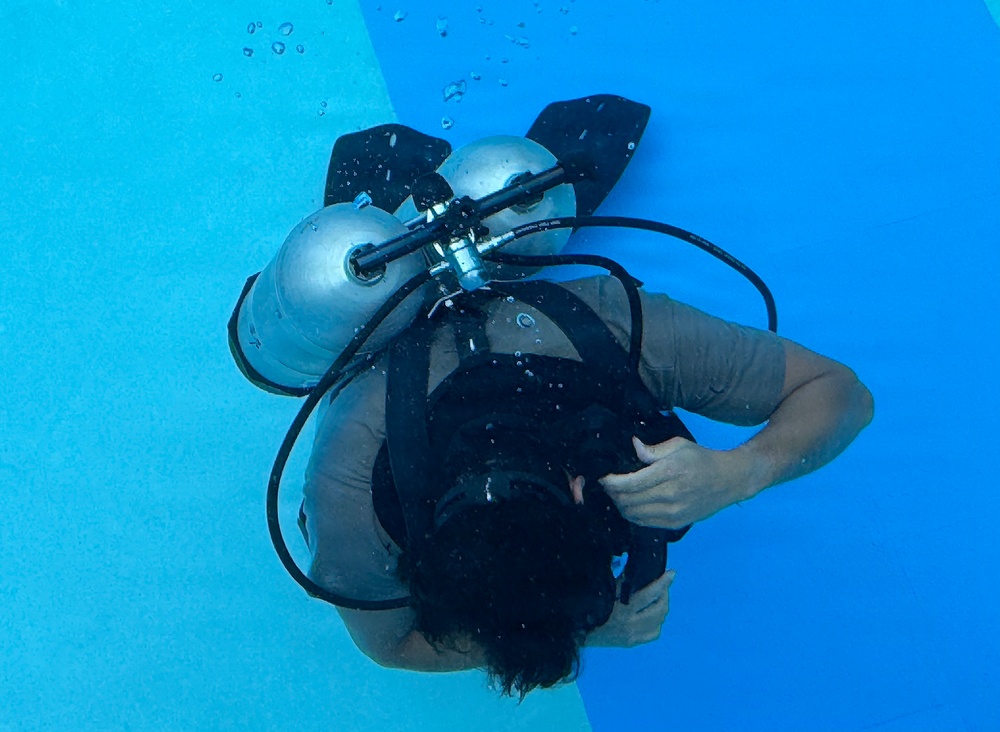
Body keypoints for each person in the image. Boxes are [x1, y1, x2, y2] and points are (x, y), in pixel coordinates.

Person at [228, 97, 873, 698]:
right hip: (517, 331)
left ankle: (407, 237)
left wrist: (743, 472)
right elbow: (839, 392)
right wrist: (735, 473)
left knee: (358, 291)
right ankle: (468, 214)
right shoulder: (612, 326)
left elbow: (392, 644)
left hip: (425, 345)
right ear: (580, 489)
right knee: (495, 211)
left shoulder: (352, 484)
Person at [298, 273, 874, 696]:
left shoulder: (347, 496)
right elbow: (394, 648)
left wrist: (741, 472)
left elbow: (841, 392)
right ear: (581, 490)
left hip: (496, 345)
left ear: (580, 491)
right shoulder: (345, 487)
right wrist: (587, 631)